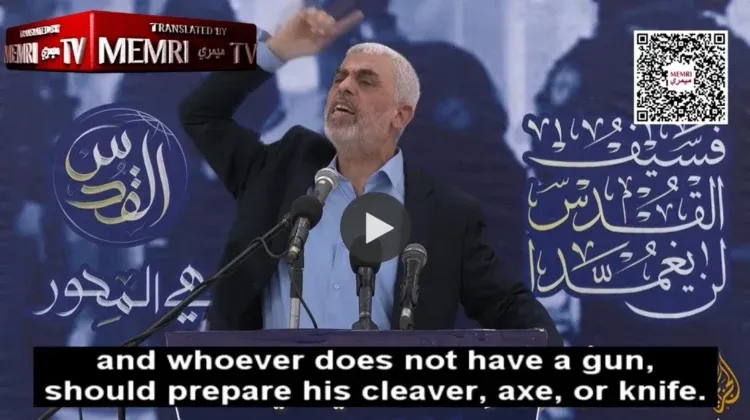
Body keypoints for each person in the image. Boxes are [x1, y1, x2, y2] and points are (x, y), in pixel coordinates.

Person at [179, 7, 562, 346]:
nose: (344, 87)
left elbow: (511, 308)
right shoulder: (281, 169)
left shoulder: (447, 215)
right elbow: (201, 115)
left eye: (365, 82)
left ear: (402, 115)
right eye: (339, 77)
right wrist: (277, 51)